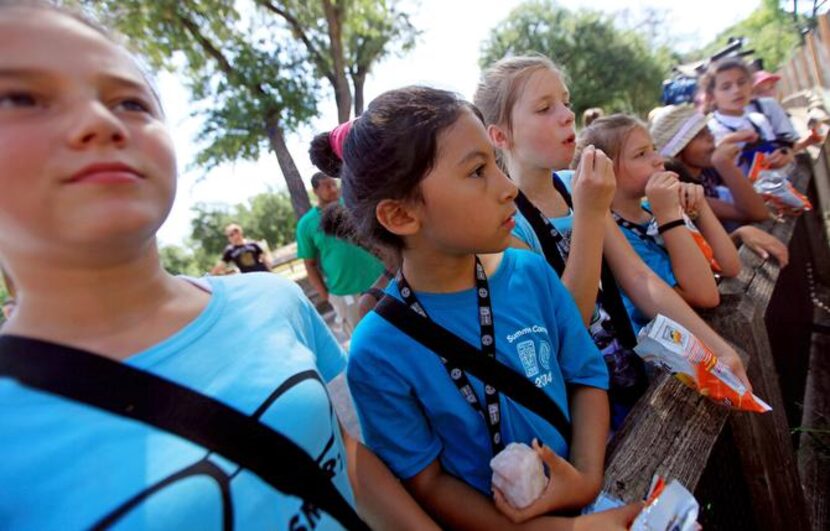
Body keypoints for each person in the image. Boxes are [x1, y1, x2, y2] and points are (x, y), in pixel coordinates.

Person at [0, 3, 436, 529]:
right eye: (20, 98)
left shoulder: (273, 302)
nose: (100, 121)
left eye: (131, 102)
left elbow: (348, 457)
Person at [342, 86, 643, 529]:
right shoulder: (377, 351)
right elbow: (427, 483)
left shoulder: (529, 273)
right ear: (402, 216)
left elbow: (585, 376)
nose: (507, 188)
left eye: (496, 164)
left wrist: (583, 478)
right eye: (478, 171)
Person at [473, 55, 751, 396]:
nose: (566, 115)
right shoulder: (506, 226)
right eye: (545, 108)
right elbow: (568, 322)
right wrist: (589, 214)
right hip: (585, 398)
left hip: (635, 371)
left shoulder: (574, 184)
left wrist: (717, 349)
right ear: (500, 136)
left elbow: (638, 277)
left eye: (565, 102)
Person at [575, 115, 742, 327]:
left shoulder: (653, 209)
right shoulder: (619, 237)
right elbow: (705, 296)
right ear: (606, 172)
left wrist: (701, 207)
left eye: (653, 148)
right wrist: (669, 217)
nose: (658, 159)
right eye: (641, 154)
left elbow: (730, 266)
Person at [651, 105, 789, 266]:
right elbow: (757, 213)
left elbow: (749, 199)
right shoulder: (685, 192)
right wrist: (723, 163)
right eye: (699, 135)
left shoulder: (706, 174)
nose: (710, 138)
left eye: (708, 131)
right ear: (679, 152)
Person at [296, 172, 386, 334]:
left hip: (381, 281)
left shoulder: (353, 204)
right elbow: (310, 265)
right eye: (326, 186)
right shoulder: (306, 224)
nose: (332, 189)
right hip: (346, 293)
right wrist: (327, 296)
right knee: (365, 340)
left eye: (333, 184)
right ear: (315, 191)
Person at [701, 57, 794, 170]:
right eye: (726, 87)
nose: (737, 90)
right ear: (712, 96)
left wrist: (783, 154)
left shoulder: (759, 120)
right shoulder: (711, 132)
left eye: (741, 82)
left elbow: (778, 149)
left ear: (751, 85)